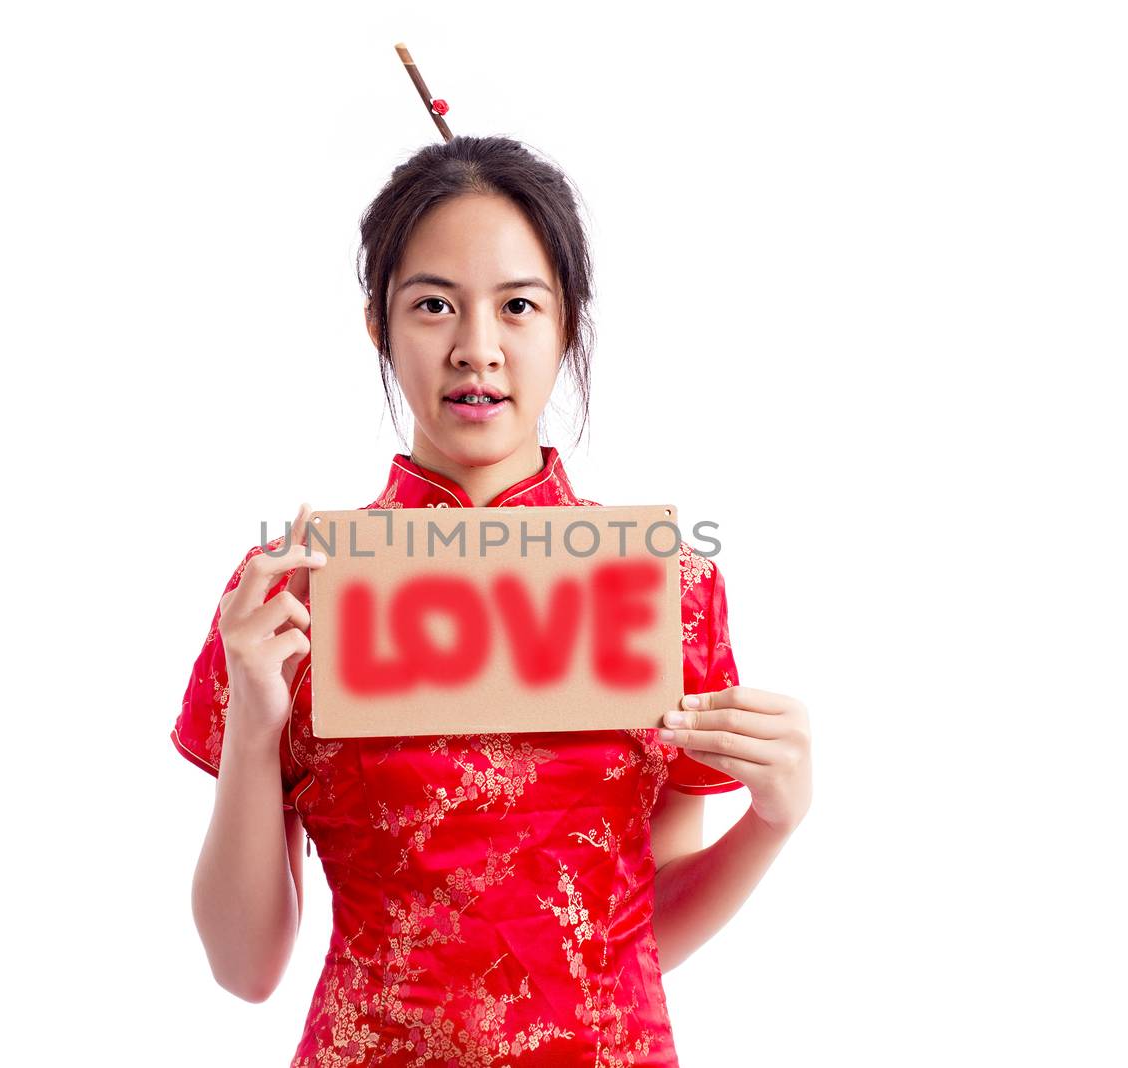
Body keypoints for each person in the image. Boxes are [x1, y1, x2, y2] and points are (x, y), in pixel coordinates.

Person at [171, 135, 813, 1066]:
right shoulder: (292, 598)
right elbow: (244, 967)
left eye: (518, 306)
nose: (478, 349)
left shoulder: (663, 589)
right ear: (377, 326)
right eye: (433, 305)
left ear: (567, 324)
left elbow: (640, 932)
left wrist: (773, 822)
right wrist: (255, 724)